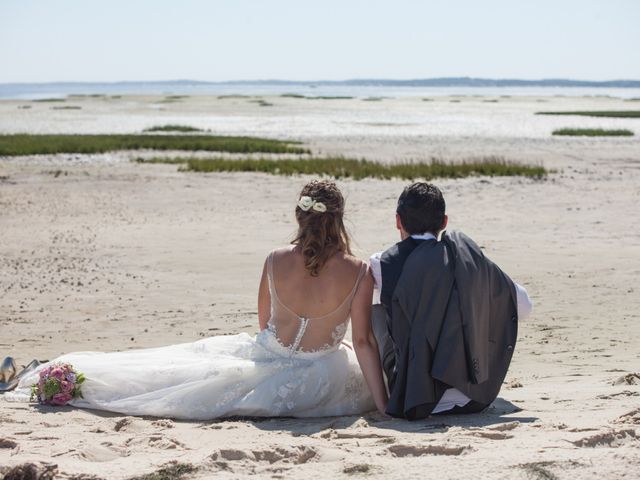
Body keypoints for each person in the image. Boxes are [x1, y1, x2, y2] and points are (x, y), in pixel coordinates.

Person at [5, 180, 388, 419]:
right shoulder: (358, 271)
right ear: (338, 219)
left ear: (300, 216)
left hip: (269, 353)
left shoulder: (274, 259)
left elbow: (263, 324)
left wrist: (278, 354)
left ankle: (59, 378)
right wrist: (384, 405)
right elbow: (362, 342)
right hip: (323, 376)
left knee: (171, 371)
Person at [370, 182, 533, 419]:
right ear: (444, 222)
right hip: (473, 397)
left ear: (398, 221)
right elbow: (525, 307)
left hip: (413, 399)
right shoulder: (466, 261)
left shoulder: (380, 263)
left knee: (376, 308)